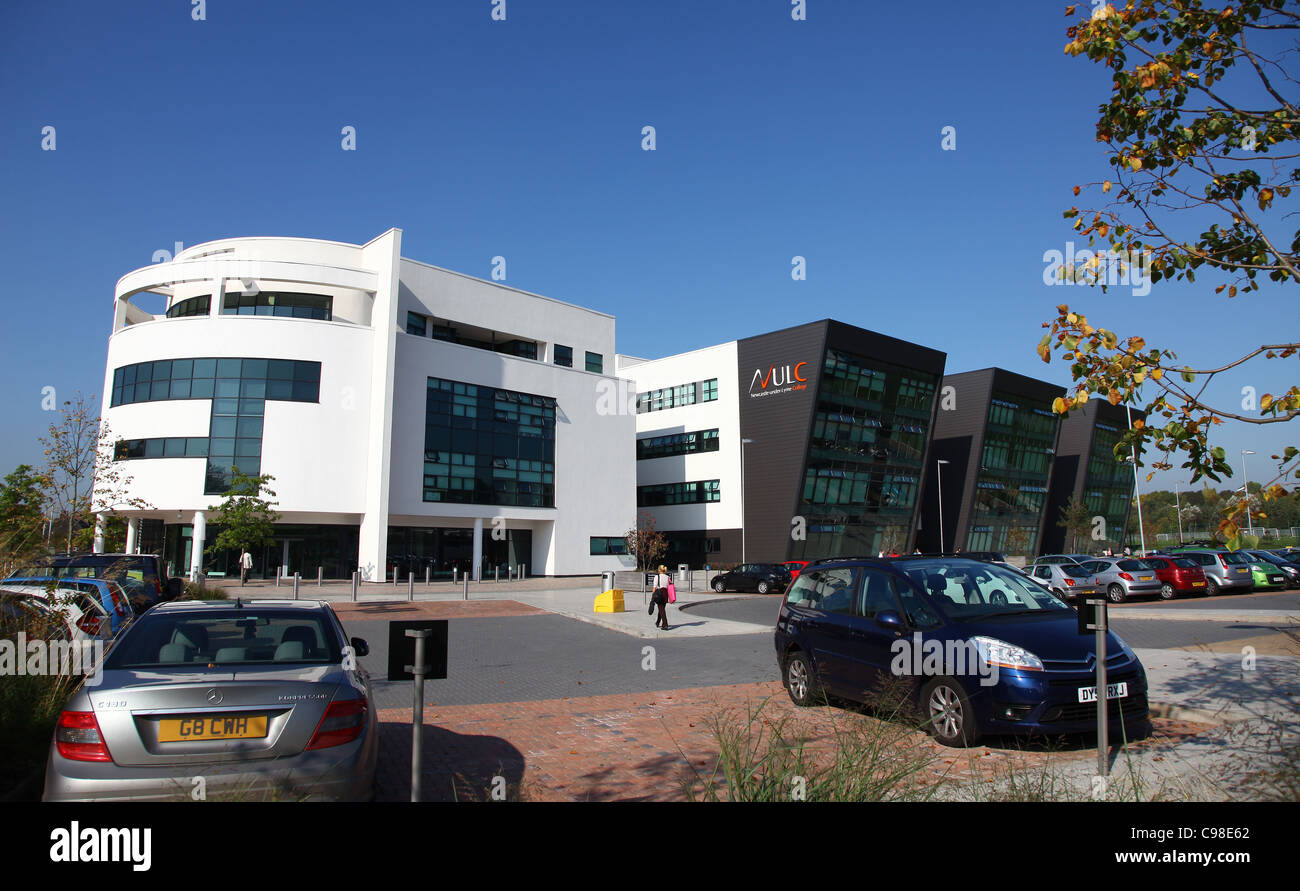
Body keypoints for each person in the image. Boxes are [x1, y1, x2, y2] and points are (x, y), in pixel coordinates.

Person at [650, 564, 672, 630]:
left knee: (661, 609)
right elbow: (669, 586)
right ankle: (657, 622)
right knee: (661, 608)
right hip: (665, 593)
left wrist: (652, 596)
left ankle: (665, 624)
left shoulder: (657, 577)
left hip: (659, 593)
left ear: (659, 570)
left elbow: (655, 587)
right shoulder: (668, 577)